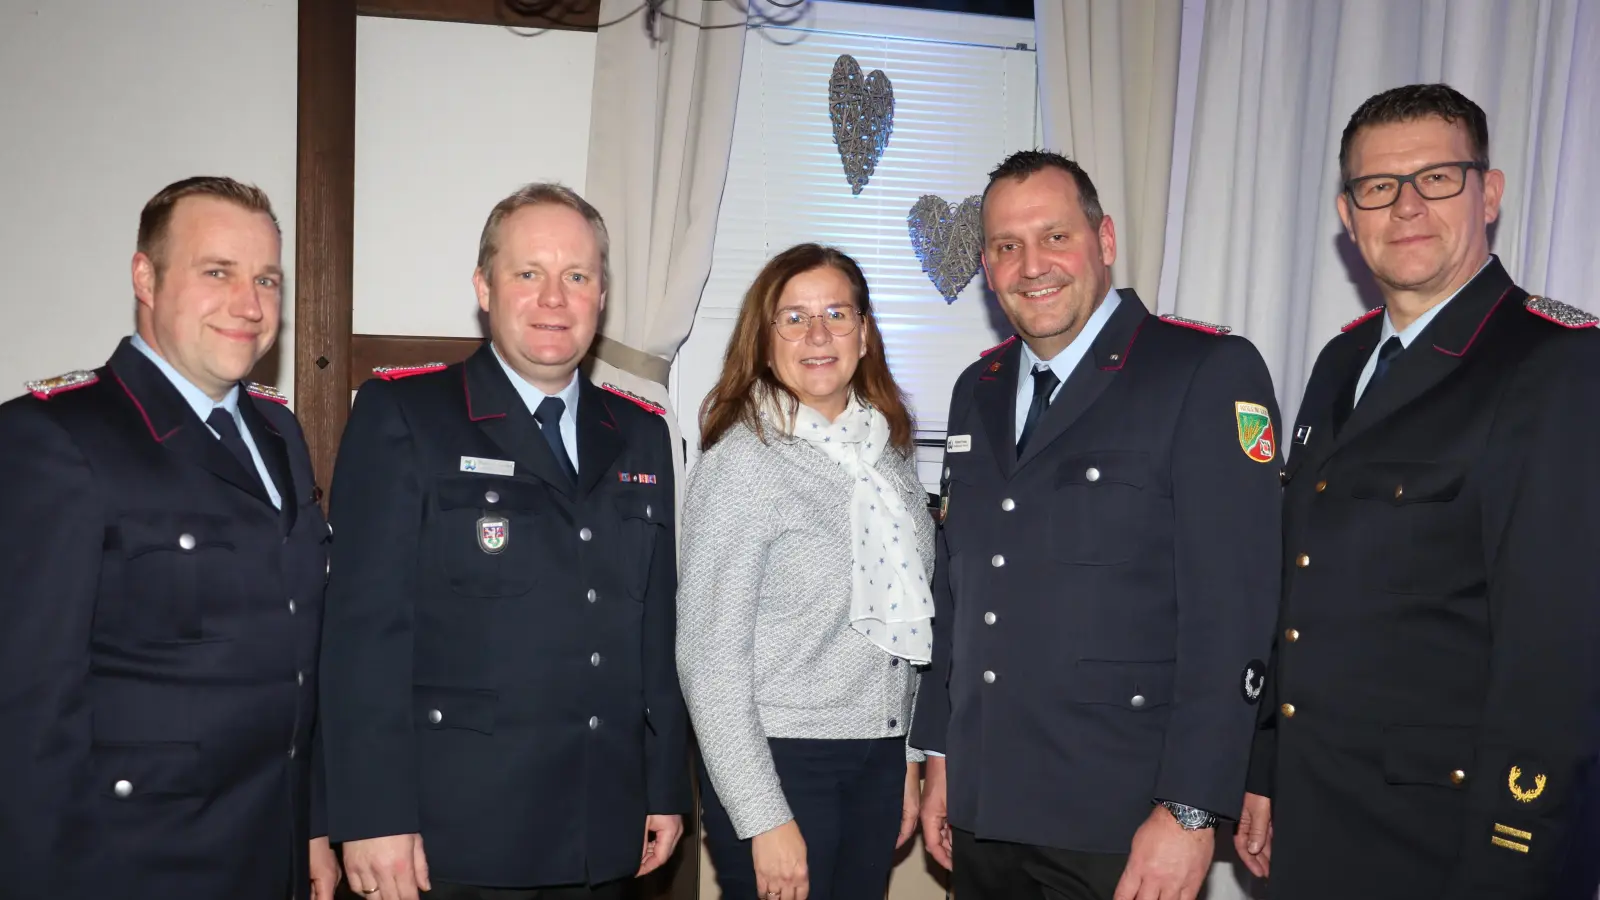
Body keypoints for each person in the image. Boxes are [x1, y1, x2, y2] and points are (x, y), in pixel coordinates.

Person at [1235, 83, 1600, 900]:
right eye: (1378, 187)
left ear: (1489, 192)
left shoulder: (1556, 364)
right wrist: (1267, 767)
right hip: (1321, 824)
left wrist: (1517, 847)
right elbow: (1302, 585)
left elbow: (1561, 650)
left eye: (1436, 177)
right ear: (1347, 211)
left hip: (1455, 842)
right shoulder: (1342, 363)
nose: (1405, 206)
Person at [910, 150, 1283, 900]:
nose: (1031, 265)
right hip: (985, 807)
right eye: (1007, 247)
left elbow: (1235, 612)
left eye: (1055, 237)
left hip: (1122, 818)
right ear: (986, 266)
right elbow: (959, 588)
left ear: (1104, 240)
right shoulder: (975, 390)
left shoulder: (1202, 372)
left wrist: (1188, 806)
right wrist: (943, 755)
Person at [318, 182, 690, 900]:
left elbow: (656, 628)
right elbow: (362, 635)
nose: (554, 299)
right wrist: (369, 815)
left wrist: (664, 782)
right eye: (529, 274)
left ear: (601, 296)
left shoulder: (640, 431)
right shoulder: (407, 415)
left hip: (603, 829)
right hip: (454, 836)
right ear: (484, 288)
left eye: (576, 277)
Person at [0, 176, 338, 899]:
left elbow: (297, 655)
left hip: (266, 850)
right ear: (144, 277)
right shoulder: (56, 438)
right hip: (131, 864)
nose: (249, 305)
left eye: (267, 279)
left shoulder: (278, 433)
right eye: (218, 272)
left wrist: (310, 822)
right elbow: (26, 717)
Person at [677, 243, 934, 900]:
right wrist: (763, 817)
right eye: (793, 318)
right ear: (763, 343)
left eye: (837, 315)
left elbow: (904, 634)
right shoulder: (742, 464)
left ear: (865, 334)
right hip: (778, 759)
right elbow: (710, 659)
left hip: (877, 754)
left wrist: (904, 759)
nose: (818, 335)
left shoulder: (889, 458)